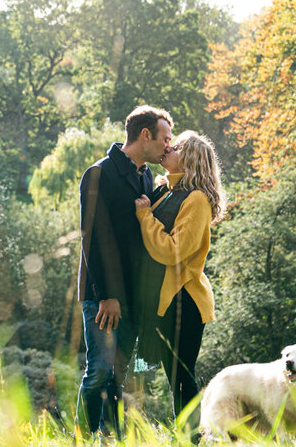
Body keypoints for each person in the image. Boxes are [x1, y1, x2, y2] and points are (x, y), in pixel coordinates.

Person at [77, 105, 173, 435]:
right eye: (165, 138)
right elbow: (93, 239)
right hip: (102, 296)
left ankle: (112, 438)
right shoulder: (98, 174)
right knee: (100, 371)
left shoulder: (145, 175)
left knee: (117, 375)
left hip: (133, 298)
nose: (168, 145)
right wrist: (107, 296)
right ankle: (85, 436)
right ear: (145, 135)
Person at [133, 130, 226, 433]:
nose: (168, 148)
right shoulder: (165, 191)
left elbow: (173, 251)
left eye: (176, 147)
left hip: (183, 299)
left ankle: (190, 438)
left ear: (189, 159)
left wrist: (145, 216)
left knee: (181, 376)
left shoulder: (196, 200)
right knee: (169, 375)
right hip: (163, 298)